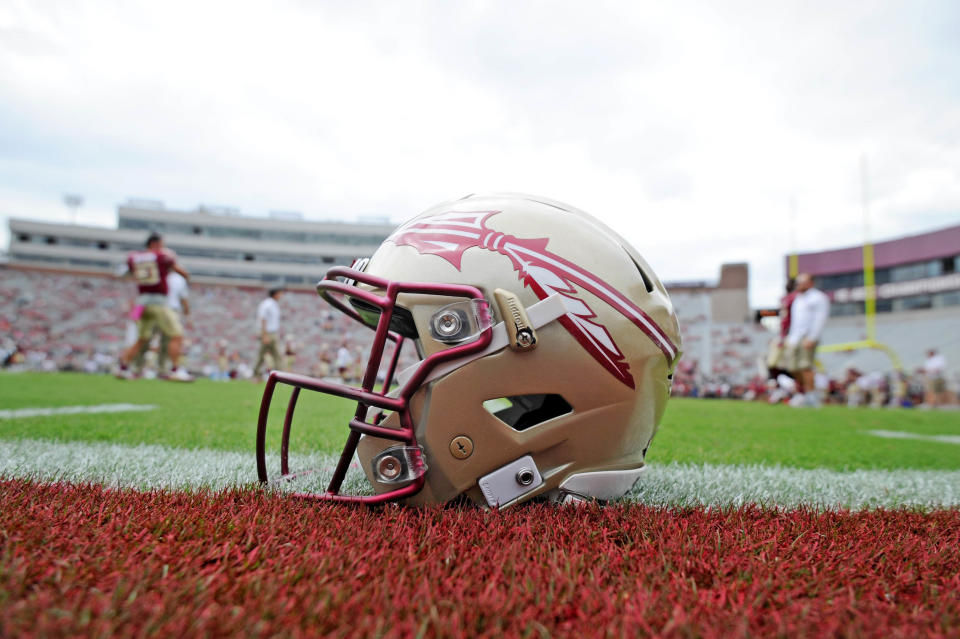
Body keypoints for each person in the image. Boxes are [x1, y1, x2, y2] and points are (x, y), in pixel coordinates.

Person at [117, 233, 193, 382]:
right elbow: (184, 273)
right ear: (155, 244)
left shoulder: (134, 257)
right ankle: (176, 370)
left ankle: (123, 368)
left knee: (141, 339)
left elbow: (123, 273)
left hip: (140, 303)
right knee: (177, 335)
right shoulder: (162, 257)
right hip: (158, 303)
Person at [133, 269, 190, 376]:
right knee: (145, 338)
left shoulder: (179, 279)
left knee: (167, 342)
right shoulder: (155, 276)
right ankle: (137, 367)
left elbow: (184, 299)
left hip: (170, 310)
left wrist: (187, 316)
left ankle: (162, 369)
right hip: (155, 309)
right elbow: (143, 295)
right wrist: (137, 314)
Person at [786, 273, 830, 407]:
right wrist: (791, 338)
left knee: (805, 367)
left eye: (802, 282)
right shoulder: (798, 299)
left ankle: (812, 397)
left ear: (810, 283)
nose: (799, 284)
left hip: (807, 337)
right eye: (798, 282)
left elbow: (820, 319)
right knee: (793, 368)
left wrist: (812, 337)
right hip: (795, 337)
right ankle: (804, 393)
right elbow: (795, 321)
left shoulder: (818, 298)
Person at [254, 287, 284, 377]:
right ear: (275, 294)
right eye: (279, 293)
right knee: (263, 354)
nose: (281, 296)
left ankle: (279, 375)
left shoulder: (274, 304)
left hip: (273, 332)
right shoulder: (267, 304)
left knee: (276, 354)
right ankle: (256, 372)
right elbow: (263, 319)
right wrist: (264, 335)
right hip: (268, 333)